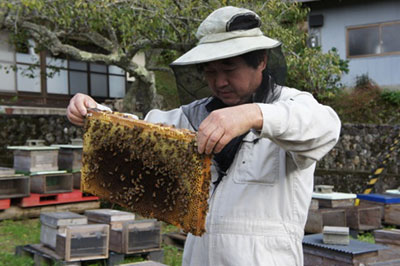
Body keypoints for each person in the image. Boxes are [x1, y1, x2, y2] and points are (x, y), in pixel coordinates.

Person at [67, 6, 341, 266]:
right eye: (210, 71)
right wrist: (94, 112)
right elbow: (137, 132)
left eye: (229, 68)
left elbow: (326, 126)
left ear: (261, 62)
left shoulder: (292, 105)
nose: (219, 82)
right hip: (199, 255)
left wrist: (253, 114)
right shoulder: (193, 116)